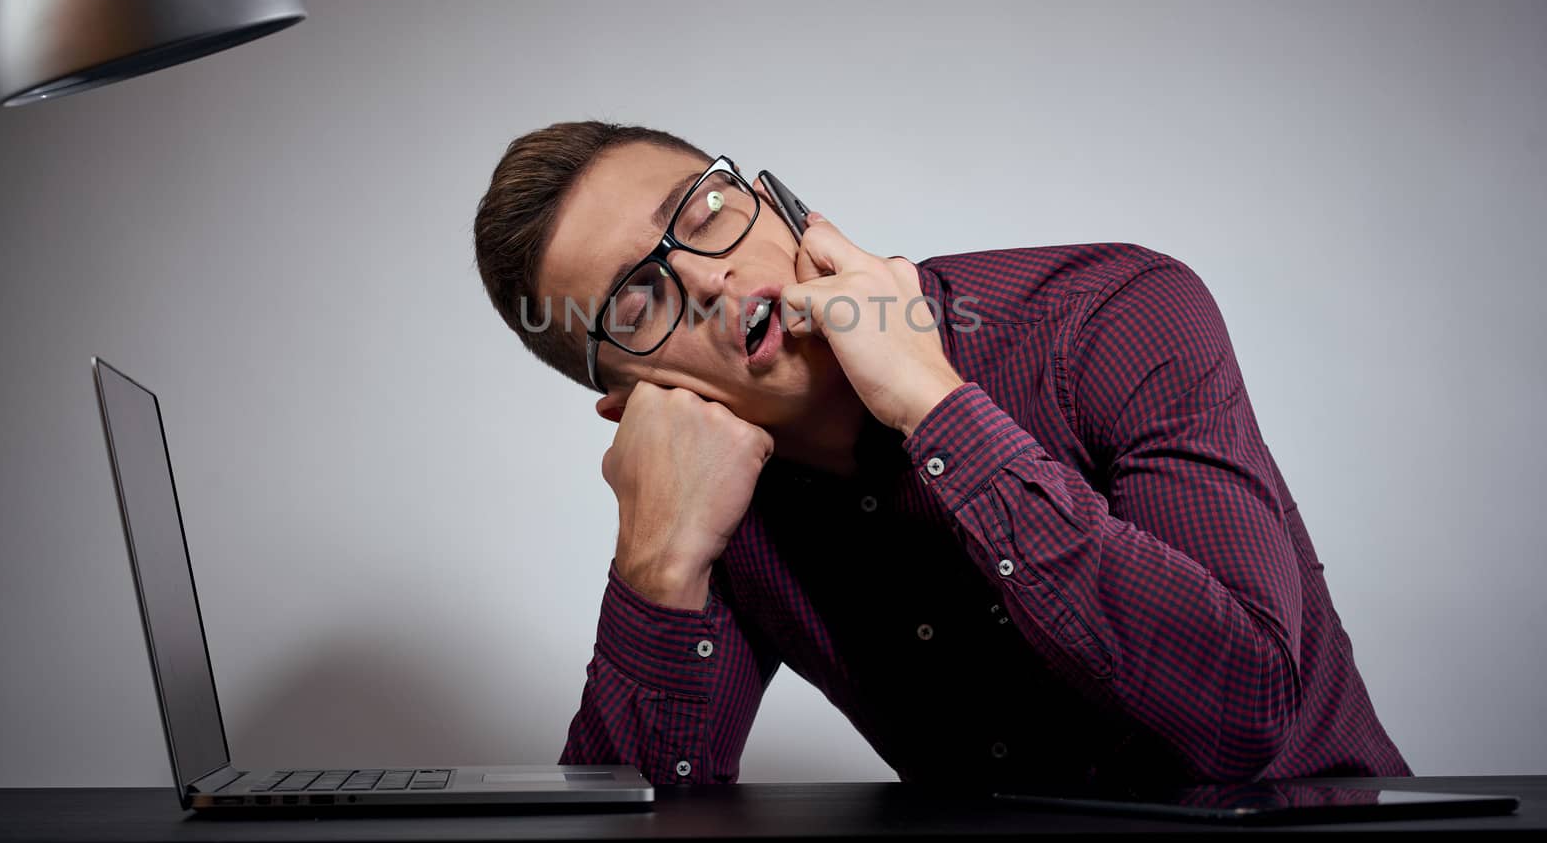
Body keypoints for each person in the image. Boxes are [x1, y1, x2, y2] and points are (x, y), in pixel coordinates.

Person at [471, 120, 1411, 791]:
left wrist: (932, 404)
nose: (711, 278)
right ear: (632, 399)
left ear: (782, 203)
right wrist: (657, 563)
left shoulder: (1110, 315)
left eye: (708, 209)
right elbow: (623, 828)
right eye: (639, 302)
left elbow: (1241, 712)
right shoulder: (713, 498)